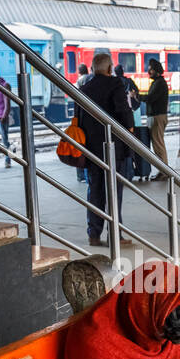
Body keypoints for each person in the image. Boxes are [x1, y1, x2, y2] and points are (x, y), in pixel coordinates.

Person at [77, 53, 134, 248]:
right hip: (113, 148)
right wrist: (130, 129)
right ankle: (115, 235)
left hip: (91, 148)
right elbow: (123, 110)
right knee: (114, 191)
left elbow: (79, 117)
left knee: (95, 190)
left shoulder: (84, 88)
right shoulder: (115, 84)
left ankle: (94, 234)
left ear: (93, 69)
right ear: (110, 68)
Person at [144, 58, 170, 180]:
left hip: (157, 116)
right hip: (158, 116)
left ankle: (164, 172)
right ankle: (163, 170)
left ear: (156, 71)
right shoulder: (158, 82)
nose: (149, 71)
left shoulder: (159, 83)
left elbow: (150, 98)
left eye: (150, 69)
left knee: (158, 145)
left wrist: (136, 96)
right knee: (159, 144)